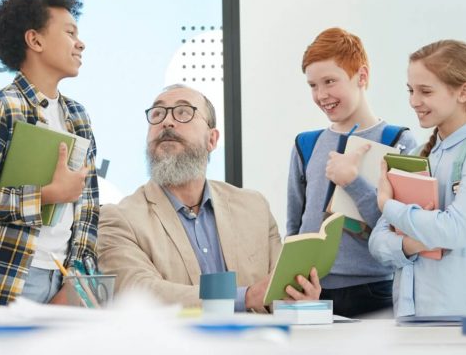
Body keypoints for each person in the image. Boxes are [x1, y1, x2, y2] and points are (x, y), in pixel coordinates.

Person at [97, 84, 321, 312]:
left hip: (257, 344)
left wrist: (299, 294)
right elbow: (140, 293)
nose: (167, 121)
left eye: (183, 112)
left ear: (212, 140)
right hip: (176, 346)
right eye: (157, 114)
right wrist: (245, 296)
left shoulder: (254, 208)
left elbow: (281, 284)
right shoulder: (119, 218)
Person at [0, 0, 99, 306]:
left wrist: (78, 282)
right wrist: (46, 195)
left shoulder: (78, 115)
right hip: (8, 282)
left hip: (65, 280)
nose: (81, 43)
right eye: (70, 32)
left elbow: (88, 209)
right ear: (35, 40)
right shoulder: (0, 106)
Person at [286, 28, 417, 317]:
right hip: (311, 291)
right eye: (312, 85)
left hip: (375, 292)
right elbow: (294, 226)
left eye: (330, 81)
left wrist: (353, 182)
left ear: (362, 76)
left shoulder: (397, 142)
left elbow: (401, 229)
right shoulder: (305, 144)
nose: (321, 95)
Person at [369, 40, 466, 317]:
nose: (414, 101)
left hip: (457, 324)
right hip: (409, 317)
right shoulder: (415, 156)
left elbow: (456, 230)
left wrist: (388, 205)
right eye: (411, 90)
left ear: (463, 92)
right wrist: (413, 243)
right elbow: (377, 243)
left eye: (425, 91)